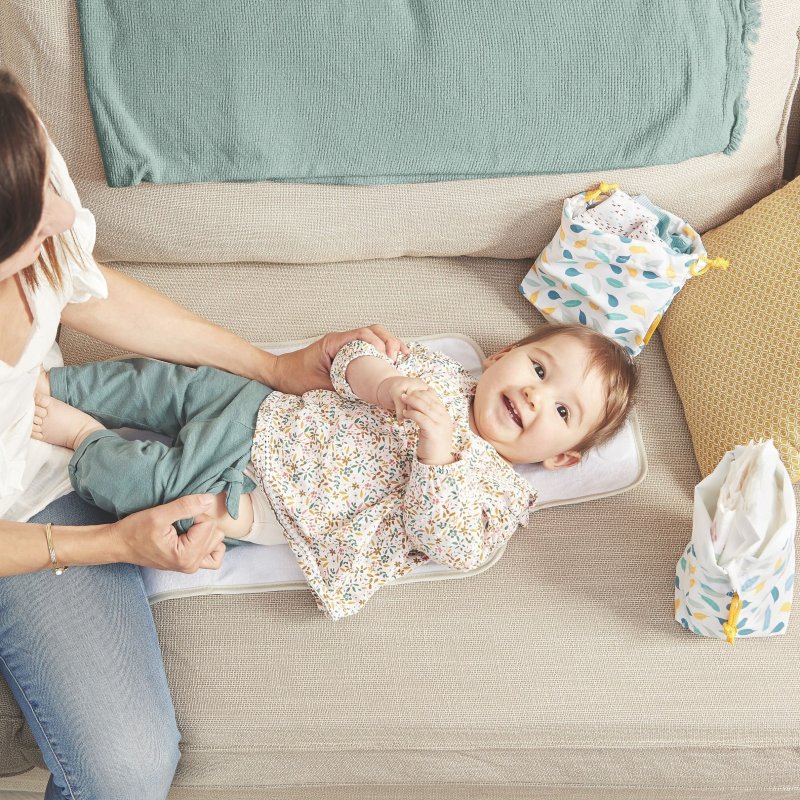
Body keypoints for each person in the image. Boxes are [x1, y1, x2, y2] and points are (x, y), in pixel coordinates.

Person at [0, 68, 407, 799]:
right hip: (17, 527)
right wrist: (113, 543)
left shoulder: (12, 140)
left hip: (42, 457)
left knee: (128, 771)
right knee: (122, 772)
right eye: (32, 223)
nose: (63, 212)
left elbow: (83, 285)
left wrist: (270, 366)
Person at [32, 322, 639, 621]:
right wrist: (384, 383)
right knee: (164, 384)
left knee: (155, 494)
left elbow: (449, 542)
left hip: (256, 500)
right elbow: (353, 354)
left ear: (562, 458)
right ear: (503, 355)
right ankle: (50, 384)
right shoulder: (433, 371)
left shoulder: (498, 495)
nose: (535, 395)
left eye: (563, 411)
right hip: (262, 408)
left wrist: (439, 454)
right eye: (539, 369)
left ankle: (82, 437)